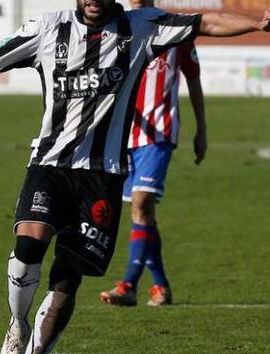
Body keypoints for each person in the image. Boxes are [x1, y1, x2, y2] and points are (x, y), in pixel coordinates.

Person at [0, 0, 270, 354]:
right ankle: (18, 324)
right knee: (28, 245)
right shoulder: (48, 28)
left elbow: (207, 20)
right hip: (50, 164)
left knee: (68, 275)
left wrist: (257, 23)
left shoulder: (141, 28)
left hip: (102, 176)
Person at [101, 0, 207, 307]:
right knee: (141, 212)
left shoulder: (176, 29)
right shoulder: (117, 27)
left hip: (159, 133)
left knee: (142, 203)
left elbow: (194, 79)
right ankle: (160, 285)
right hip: (123, 135)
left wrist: (202, 129)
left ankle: (129, 285)